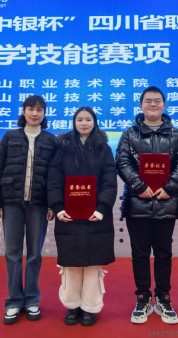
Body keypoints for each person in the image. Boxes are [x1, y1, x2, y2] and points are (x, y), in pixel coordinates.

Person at [116, 86, 178, 325]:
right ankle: (143, 299)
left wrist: (170, 187)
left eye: (157, 101)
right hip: (137, 203)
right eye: (148, 101)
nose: (153, 104)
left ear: (164, 105)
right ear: (140, 105)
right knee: (139, 255)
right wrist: (138, 186)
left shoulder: (176, 135)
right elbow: (122, 161)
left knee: (164, 254)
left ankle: (163, 299)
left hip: (167, 203)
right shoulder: (129, 134)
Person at [0, 95, 57, 325]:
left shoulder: (51, 140)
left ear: (44, 114)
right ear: (24, 111)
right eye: (31, 109)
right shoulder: (10, 137)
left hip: (39, 204)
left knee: (35, 253)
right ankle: (14, 302)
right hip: (11, 204)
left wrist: (52, 204)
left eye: (39, 110)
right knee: (13, 253)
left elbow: (55, 177)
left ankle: (32, 300)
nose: (35, 113)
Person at [47, 107, 118, 327]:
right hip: (68, 215)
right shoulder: (63, 147)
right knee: (71, 264)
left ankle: (90, 307)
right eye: (80, 119)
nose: (84, 123)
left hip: (96, 215)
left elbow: (109, 180)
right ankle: (72, 306)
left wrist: (102, 208)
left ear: (94, 122)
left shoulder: (103, 147)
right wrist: (58, 207)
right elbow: (54, 179)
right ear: (74, 122)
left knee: (93, 265)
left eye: (88, 119)